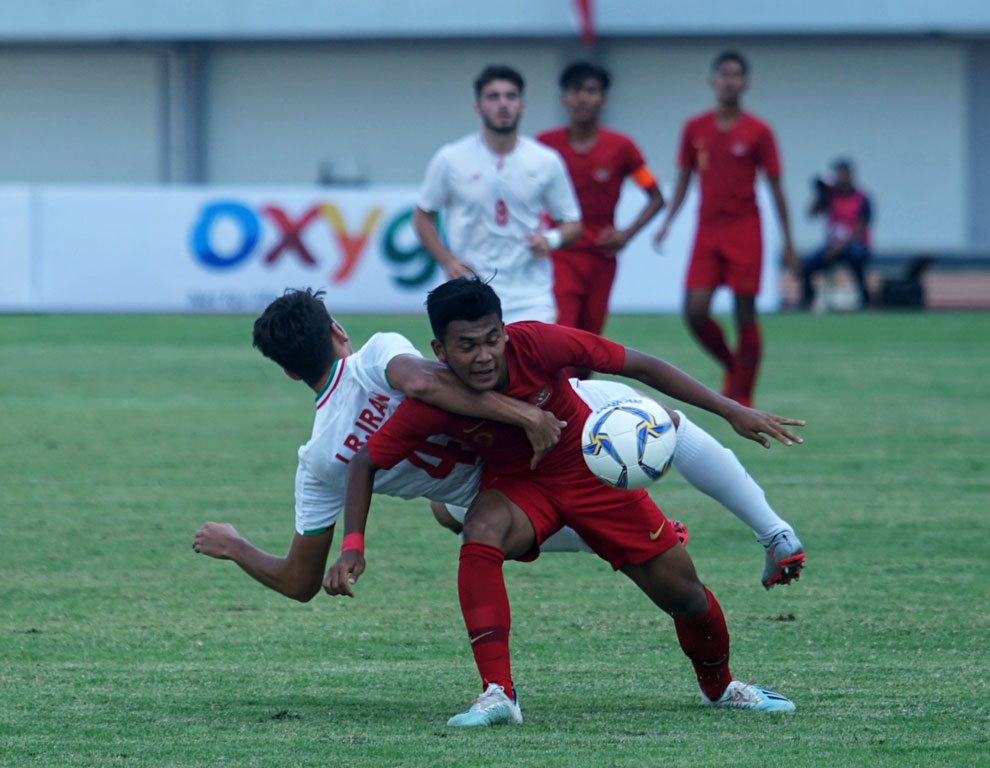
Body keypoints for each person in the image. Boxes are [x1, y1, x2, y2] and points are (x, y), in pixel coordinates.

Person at [324, 278, 804, 726]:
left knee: (686, 596)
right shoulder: (432, 400)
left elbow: (640, 364)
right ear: (440, 350)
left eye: (492, 339)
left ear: (506, 333)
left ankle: (720, 689)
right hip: (519, 487)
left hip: (591, 471)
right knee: (480, 527)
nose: (484, 355)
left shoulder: (539, 343)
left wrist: (732, 409)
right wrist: (353, 544)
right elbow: (364, 462)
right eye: (466, 346)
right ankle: (498, 692)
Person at [193, 288, 805, 597]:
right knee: (661, 425)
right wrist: (525, 413)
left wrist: (237, 545)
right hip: (541, 434)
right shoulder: (378, 354)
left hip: (490, 492)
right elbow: (427, 384)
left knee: (450, 512)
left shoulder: (317, 460)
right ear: (338, 332)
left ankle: (649, 531)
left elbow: (300, 580)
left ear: (288, 371)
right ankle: (772, 531)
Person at [654, 50, 799, 408]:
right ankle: (733, 366)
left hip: (745, 229)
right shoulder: (695, 128)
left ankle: (744, 392)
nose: (730, 81)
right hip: (708, 231)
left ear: (746, 83)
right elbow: (684, 179)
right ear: (712, 81)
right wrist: (668, 222)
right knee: (695, 311)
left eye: (737, 75)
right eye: (724, 74)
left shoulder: (759, 131)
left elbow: (777, 187)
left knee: (744, 311)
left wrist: (789, 242)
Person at [413, 64, 582, 324]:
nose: (503, 104)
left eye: (511, 96)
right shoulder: (451, 158)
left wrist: (551, 239)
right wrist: (447, 261)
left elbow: (572, 222)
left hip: (531, 295)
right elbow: (423, 217)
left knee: (537, 364)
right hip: (472, 291)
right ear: (478, 106)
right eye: (493, 97)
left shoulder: (545, 160)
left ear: (522, 105)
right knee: (474, 363)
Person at [536, 62, 665, 346]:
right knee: (561, 335)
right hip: (560, 254)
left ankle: (579, 390)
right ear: (564, 98)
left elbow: (655, 196)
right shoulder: (544, 146)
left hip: (601, 256)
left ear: (603, 99)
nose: (583, 98)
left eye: (591, 91)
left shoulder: (622, 147)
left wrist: (626, 234)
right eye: (576, 90)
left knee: (589, 342)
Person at [800, 158, 873, 309]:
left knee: (857, 259)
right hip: (831, 246)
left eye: (842, 174)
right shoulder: (831, 197)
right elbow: (811, 214)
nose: (840, 178)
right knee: (806, 266)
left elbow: (859, 231)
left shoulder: (862, 198)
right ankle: (807, 300)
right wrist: (821, 193)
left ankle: (865, 300)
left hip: (853, 246)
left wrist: (839, 248)